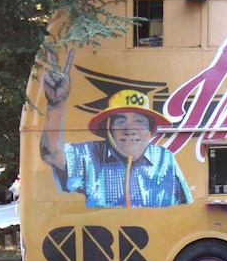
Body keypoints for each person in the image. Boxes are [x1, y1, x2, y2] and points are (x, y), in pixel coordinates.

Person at [40, 48, 192, 208]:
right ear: (108, 128)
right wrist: (56, 104)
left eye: (139, 121)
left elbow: (187, 208)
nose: (130, 128)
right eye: (120, 121)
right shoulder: (90, 155)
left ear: (150, 130)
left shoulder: (165, 159)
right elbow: (51, 154)